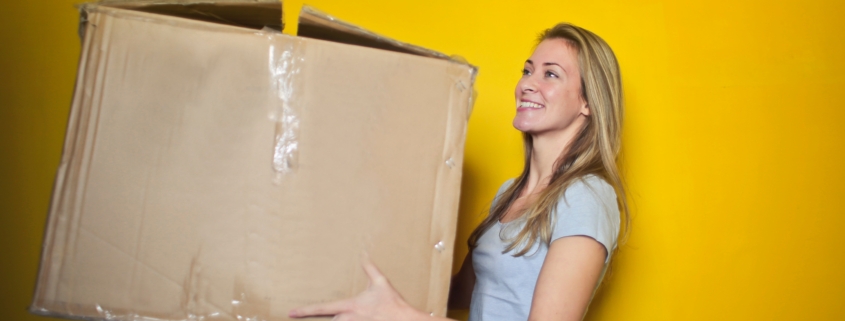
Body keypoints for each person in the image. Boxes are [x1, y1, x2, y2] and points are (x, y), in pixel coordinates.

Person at [289, 22, 628, 321]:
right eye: (527, 71)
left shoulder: (585, 197)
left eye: (550, 74)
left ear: (588, 102)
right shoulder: (509, 194)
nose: (527, 84)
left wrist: (401, 317)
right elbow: (457, 295)